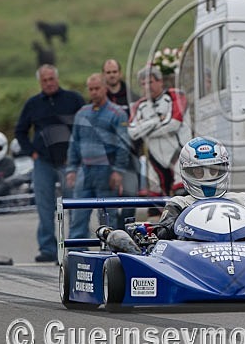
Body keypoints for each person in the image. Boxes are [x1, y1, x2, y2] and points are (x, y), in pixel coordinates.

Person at [14, 64, 85, 263]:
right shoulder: (33, 104)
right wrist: (32, 153)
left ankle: (77, 245)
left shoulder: (74, 100)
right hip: (43, 163)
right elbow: (20, 130)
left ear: (57, 78)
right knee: (44, 207)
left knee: (74, 205)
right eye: (44, 80)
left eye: (51, 79)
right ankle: (47, 248)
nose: (49, 83)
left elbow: (86, 126)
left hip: (69, 162)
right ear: (40, 82)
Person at [153, 136, 245, 243]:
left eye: (214, 170)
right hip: (194, 259)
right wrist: (185, 219)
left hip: (242, 256)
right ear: (187, 172)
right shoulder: (179, 204)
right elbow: (163, 235)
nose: (208, 177)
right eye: (199, 171)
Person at [66, 73, 131, 238]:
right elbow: (74, 142)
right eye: (91, 89)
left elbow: (123, 144)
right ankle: (77, 254)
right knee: (78, 216)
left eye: (97, 89)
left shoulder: (117, 114)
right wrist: (72, 169)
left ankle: (110, 254)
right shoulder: (82, 113)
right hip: (85, 170)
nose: (94, 92)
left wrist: (118, 170)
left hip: (107, 170)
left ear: (105, 88)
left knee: (108, 218)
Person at [127, 65, 192, 196]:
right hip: (154, 159)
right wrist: (156, 120)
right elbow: (132, 132)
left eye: (150, 82)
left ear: (160, 81)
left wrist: (145, 130)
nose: (147, 86)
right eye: (143, 83)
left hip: (178, 155)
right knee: (155, 203)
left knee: (182, 195)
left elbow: (173, 124)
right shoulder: (139, 105)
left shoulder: (176, 95)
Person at [102, 58, 138, 226]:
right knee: (108, 202)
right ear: (104, 75)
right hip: (107, 159)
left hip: (130, 155)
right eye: (108, 72)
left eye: (114, 72)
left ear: (120, 73)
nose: (112, 75)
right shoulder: (98, 101)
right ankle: (111, 236)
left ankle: (127, 234)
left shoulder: (133, 99)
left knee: (131, 198)